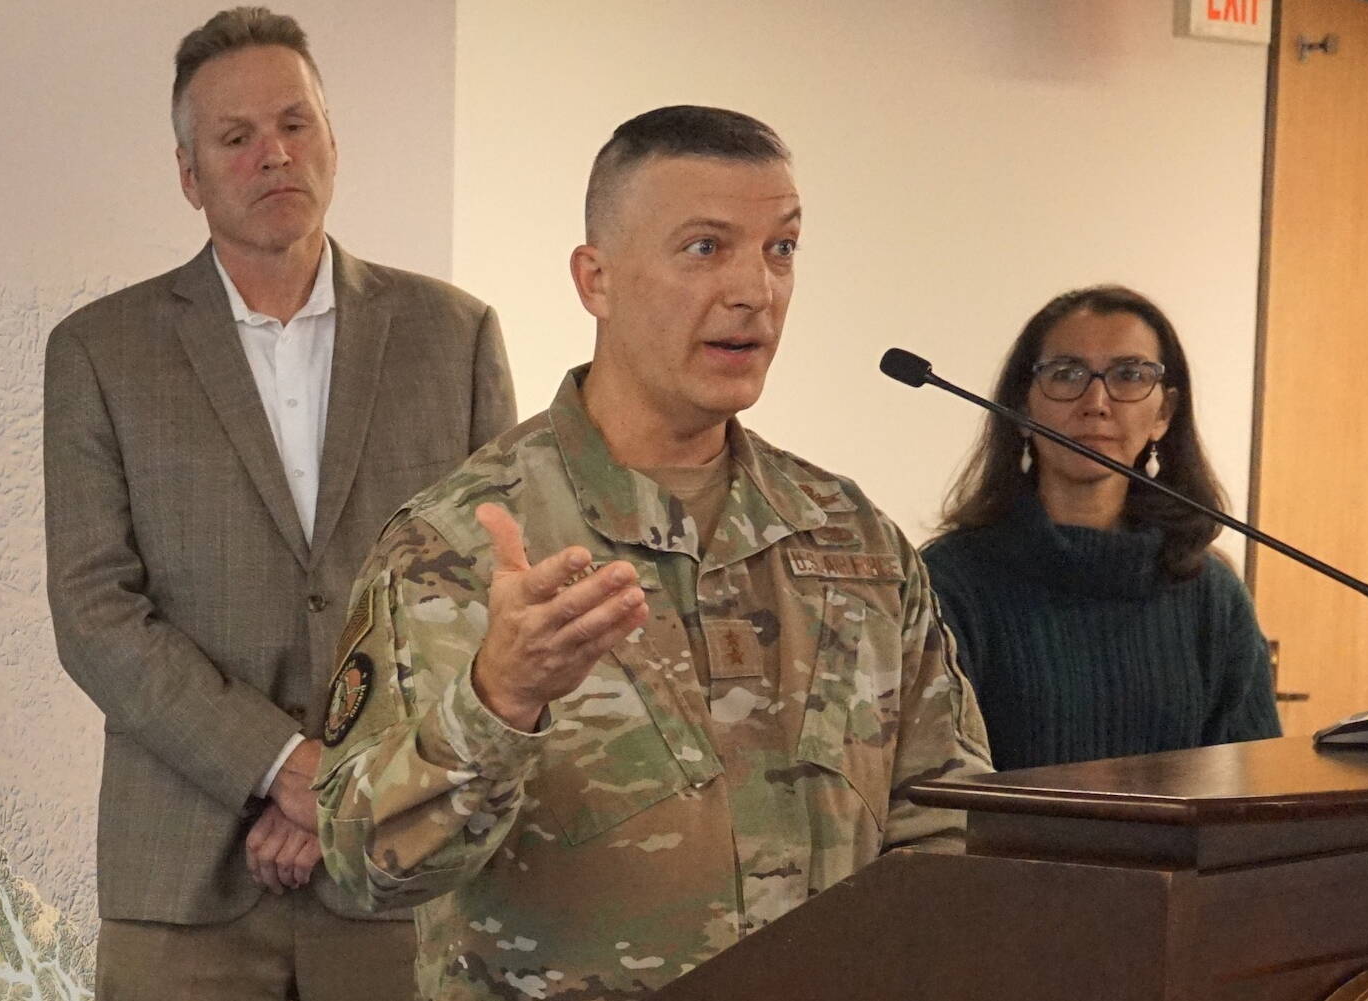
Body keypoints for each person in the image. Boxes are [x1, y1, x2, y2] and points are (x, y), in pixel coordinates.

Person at [314, 105, 991, 1000]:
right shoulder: (455, 547)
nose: (754, 289)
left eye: (780, 248)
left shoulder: (852, 541)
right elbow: (365, 864)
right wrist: (498, 699)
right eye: (705, 248)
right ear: (595, 279)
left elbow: (951, 832)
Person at [43, 7, 516, 998]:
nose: (274, 154)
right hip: (180, 880)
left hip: (397, 869)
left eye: (295, 124)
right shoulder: (99, 352)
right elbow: (96, 615)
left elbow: (478, 597)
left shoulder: (455, 336)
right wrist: (282, 764)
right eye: (236, 136)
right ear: (190, 175)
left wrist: (334, 786)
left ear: (332, 142)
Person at [922, 285, 1281, 772]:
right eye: (1066, 374)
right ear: (1022, 410)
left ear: (1164, 414)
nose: (1096, 401)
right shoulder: (950, 581)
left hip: (1177, 852)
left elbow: (1253, 788)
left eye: (1130, 375)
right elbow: (929, 791)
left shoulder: (1212, 597)